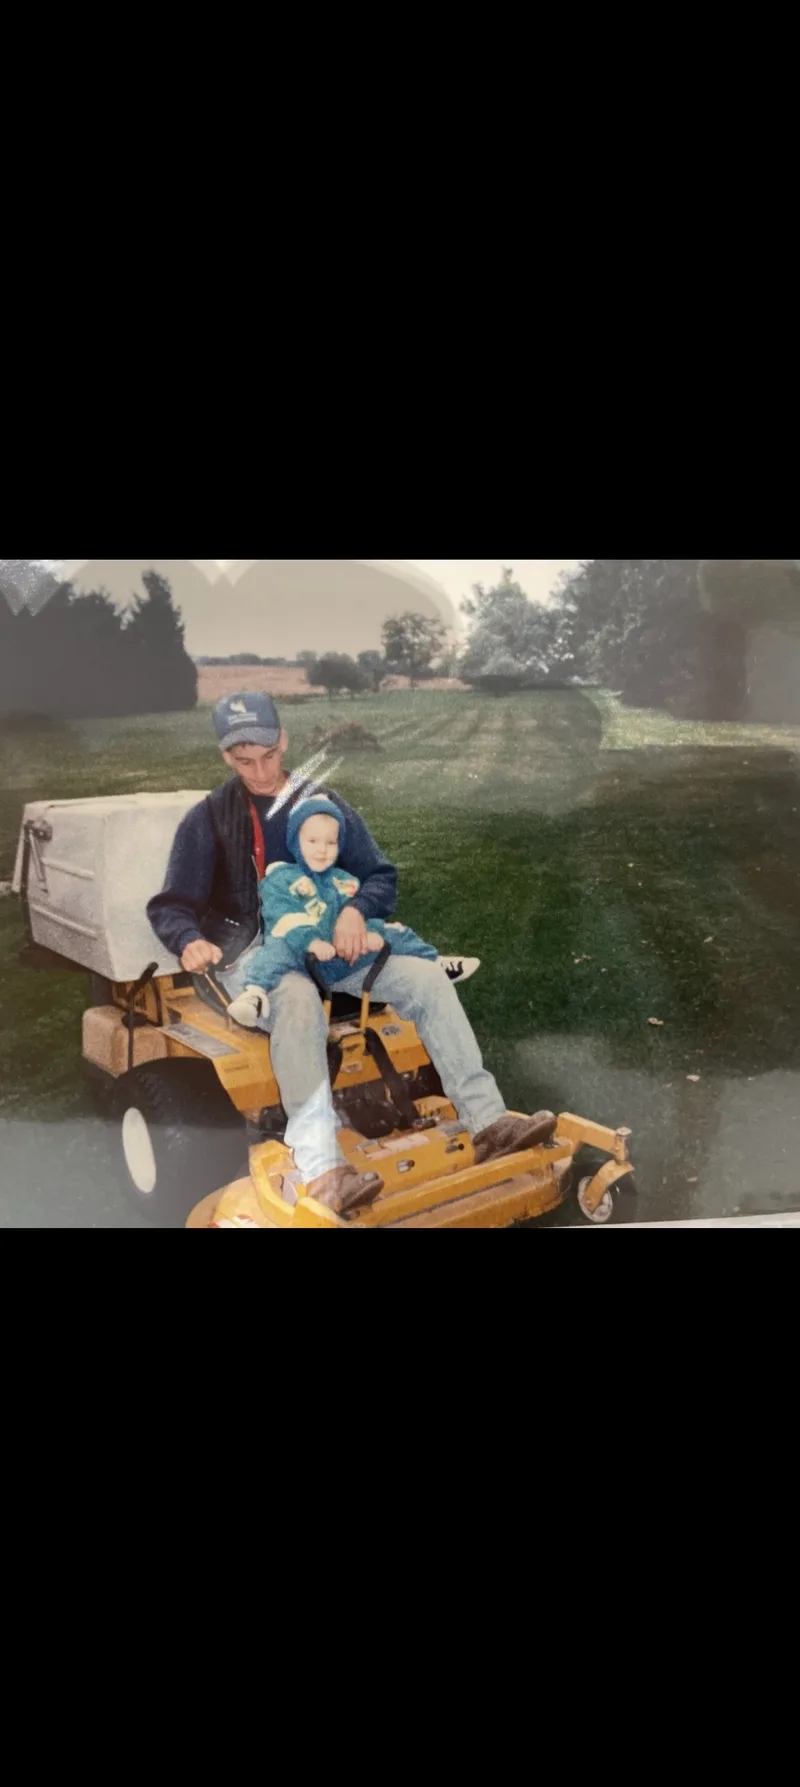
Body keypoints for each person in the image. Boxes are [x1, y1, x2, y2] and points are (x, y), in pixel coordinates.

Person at [147, 692, 556, 1218]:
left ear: (284, 741)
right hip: (258, 954)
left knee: (426, 978)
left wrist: (356, 911)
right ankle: (323, 1171)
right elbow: (172, 904)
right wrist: (188, 938)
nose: (260, 772)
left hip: (333, 945)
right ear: (226, 755)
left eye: (268, 756)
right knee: (297, 1001)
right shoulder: (208, 819)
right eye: (244, 761)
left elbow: (380, 875)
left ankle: (489, 1122)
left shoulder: (325, 805)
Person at [225, 794, 439, 1029]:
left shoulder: (343, 881)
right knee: (276, 949)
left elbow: (350, 917)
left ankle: (433, 959)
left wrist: (368, 933)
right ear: (296, 841)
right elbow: (285, 917)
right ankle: (254, 993)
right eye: (313, 841)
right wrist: (311, 942)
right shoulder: (281, 878)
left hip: (337, 952)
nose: (322, 850)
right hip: (301, 950)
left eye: (331, 843)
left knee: (393, 931)